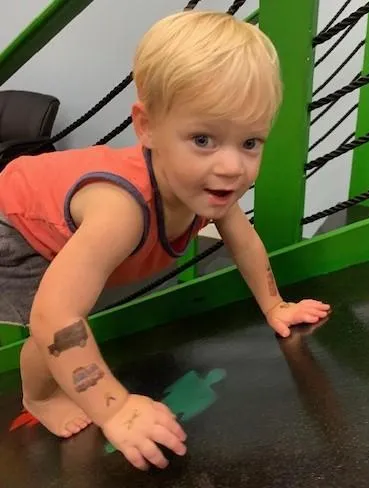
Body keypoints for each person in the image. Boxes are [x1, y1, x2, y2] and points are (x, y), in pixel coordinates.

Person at [0, 10, 330, 471]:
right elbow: (54, 318)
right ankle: (38, 397)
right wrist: (113, 408)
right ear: (147, 127)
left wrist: (275, 306)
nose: (233, 167)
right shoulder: (120, 212)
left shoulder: (206, 184)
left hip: (58, 205)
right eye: (203, 139)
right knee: (48, 320)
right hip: (16, 223)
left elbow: (244, 241)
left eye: (250, 142)